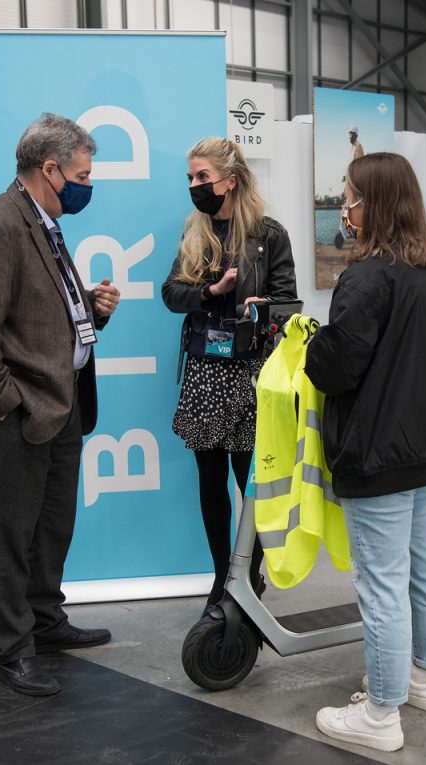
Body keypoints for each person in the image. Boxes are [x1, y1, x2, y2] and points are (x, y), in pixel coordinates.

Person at [0, 113, 121, 697]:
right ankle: (10, 646)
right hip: (23, 412)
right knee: (12, 532)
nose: (86, 184)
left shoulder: (43, 222)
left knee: (52, 527)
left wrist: (91, 311)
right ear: (50, 169)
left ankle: (44, 621)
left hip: (62, 402)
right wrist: (6, 406)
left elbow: (38, 313)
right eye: (82, 173)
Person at [305, 152, 426, 753]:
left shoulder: (367, 277)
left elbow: (337, 366)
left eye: (347, 196)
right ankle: (425, 680)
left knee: (381, 584)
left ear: (370, 203)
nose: (341, 207)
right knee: (422, 565)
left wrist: (309, 349)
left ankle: (380, 715)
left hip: (379, 453)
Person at [161, 137, 297, 614]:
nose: (195, 186)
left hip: (251, 373)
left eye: (203, 177)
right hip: (204, 371)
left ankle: (248, 577)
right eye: (191, 178)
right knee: (209, 476)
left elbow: (289, 303)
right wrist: (208, 291)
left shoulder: (269, 234)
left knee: (250, 481)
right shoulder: (194, 233)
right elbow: (170, 293)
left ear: (230, 180)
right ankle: (223, 578)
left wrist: (267, 311)